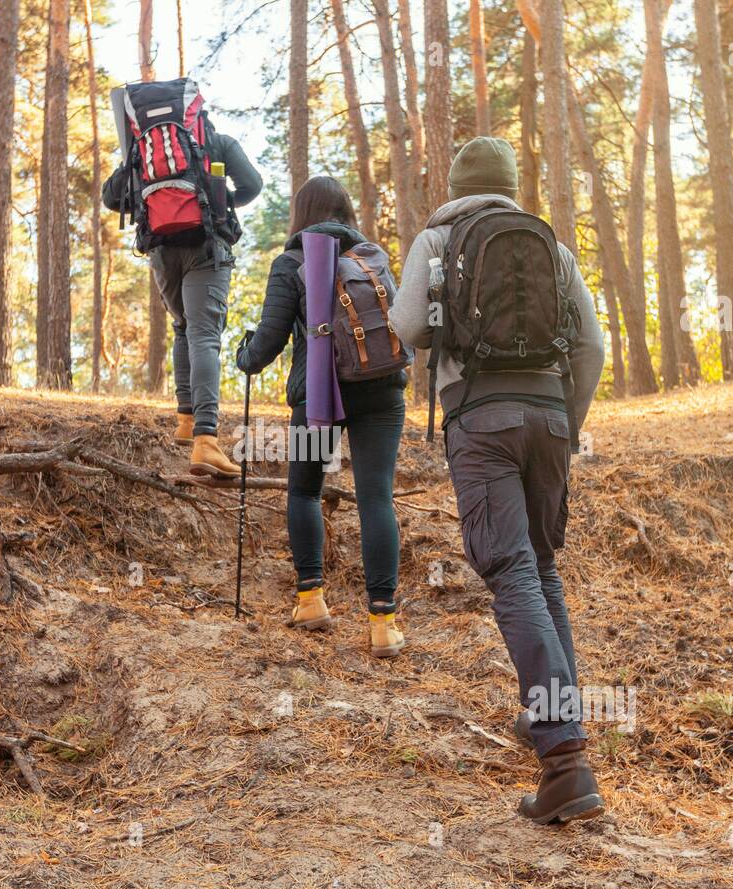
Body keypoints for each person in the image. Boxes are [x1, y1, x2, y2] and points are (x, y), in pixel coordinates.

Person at [390, 137, 606, 824]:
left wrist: (444, 318)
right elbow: (592, 345)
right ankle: (556, 715)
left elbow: (406, 327)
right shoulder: (548, 243)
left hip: (481, 419)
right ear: (512, 183)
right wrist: (564, 421)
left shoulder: (439, 236)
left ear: (456, 182)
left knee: (512, 570)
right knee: (540, 568)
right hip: (550, 419)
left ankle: (565, 760)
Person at [236, 177, 408, 658]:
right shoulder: (371, 257)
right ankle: (383, 624)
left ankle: (311, 600)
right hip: (381, 394)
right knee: (376, 497)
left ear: (301, 214)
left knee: (306, 490)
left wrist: (242, 354)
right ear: (347, 211)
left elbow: (265, 345)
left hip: (319, 400)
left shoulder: (290, 262)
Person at [102, 92, 263, 478]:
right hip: (206, 245)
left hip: (162, 251)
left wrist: (152, 204)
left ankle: (186, 419)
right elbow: (253, 185)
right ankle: (207, 441)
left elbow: (111, 198)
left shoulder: (142, 149)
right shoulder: (216, 142)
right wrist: (218, 202)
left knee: (183, 326)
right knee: (205, 334)